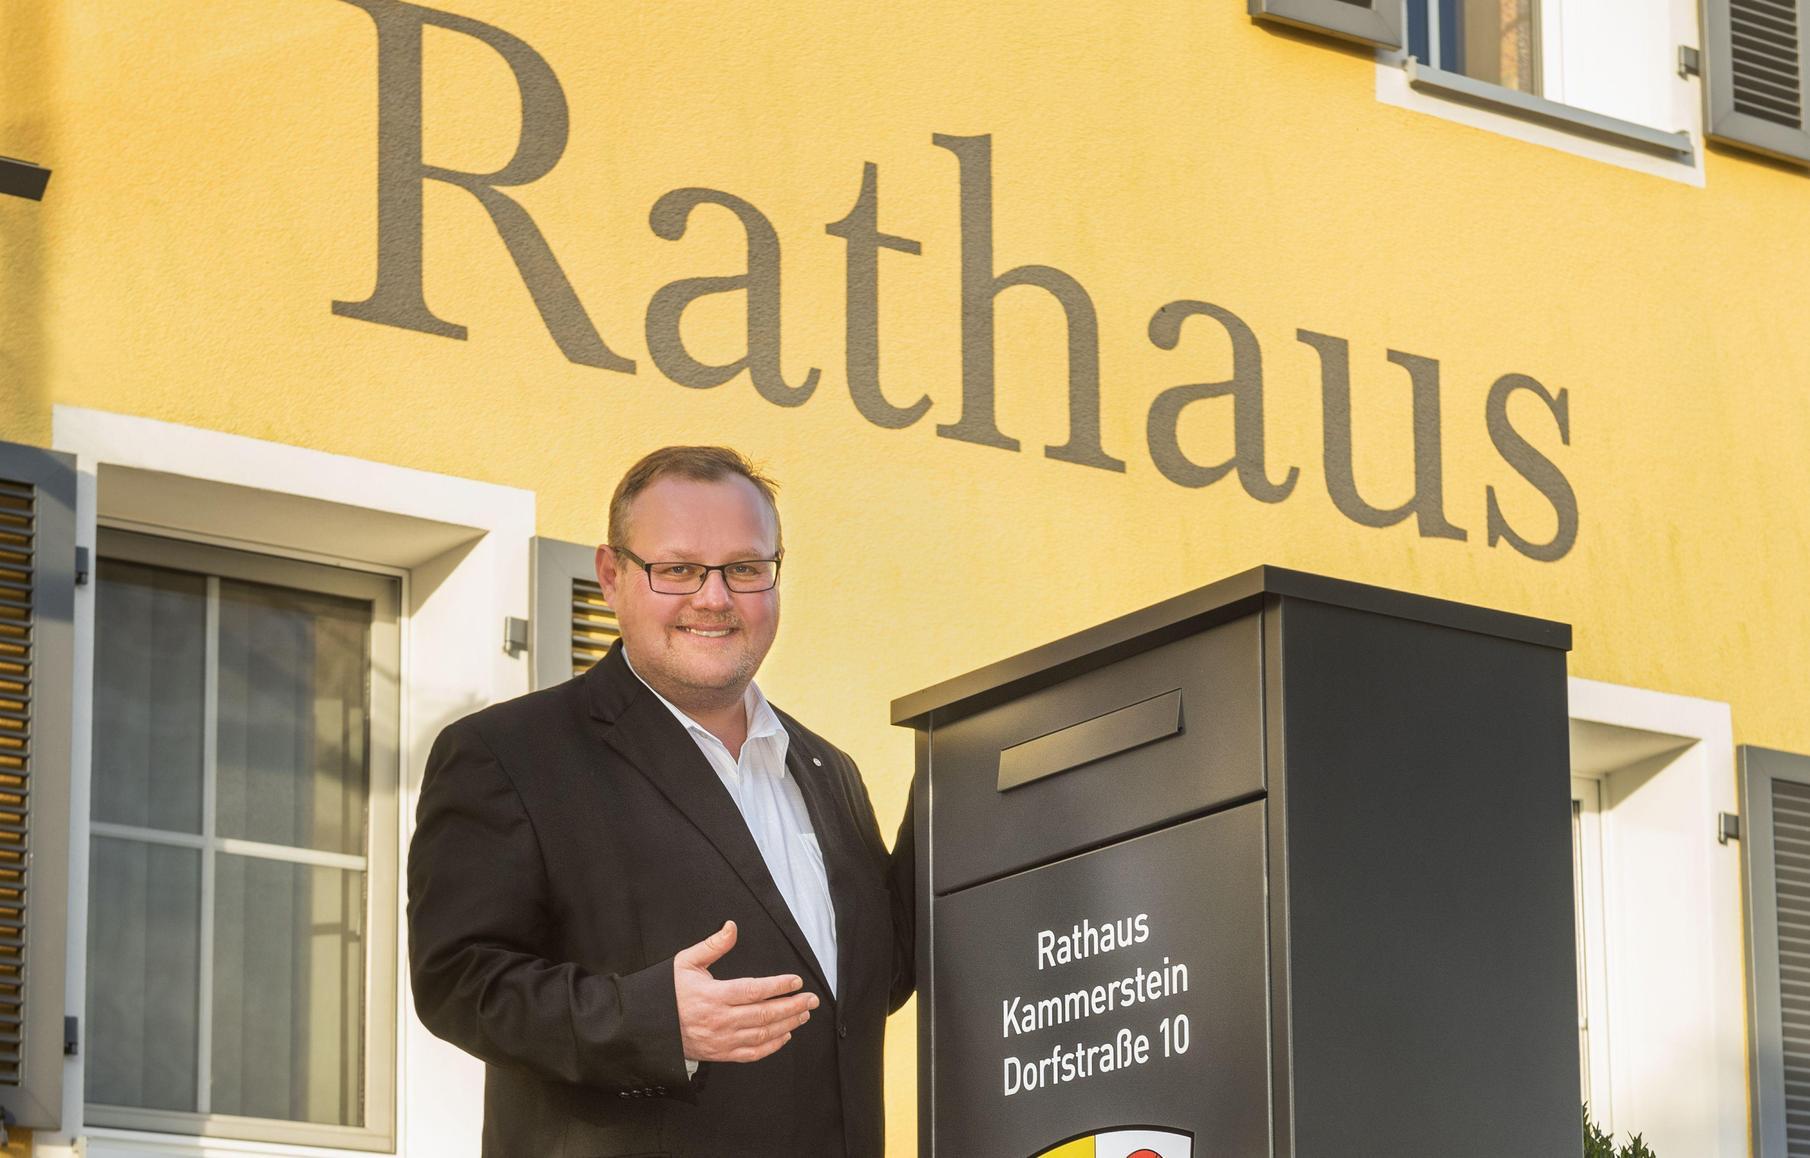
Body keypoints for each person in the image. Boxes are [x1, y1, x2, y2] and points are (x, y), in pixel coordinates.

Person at [407, 446, 914, 1158]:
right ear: (610, 576)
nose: (714, 598)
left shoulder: (830, 772)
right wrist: (652, 1021)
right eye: (677, 570)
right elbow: (458, 981)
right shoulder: (509, 753)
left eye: (745, 568)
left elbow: (872, 983)